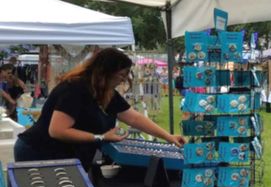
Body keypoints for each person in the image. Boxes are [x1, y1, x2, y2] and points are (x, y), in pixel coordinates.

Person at [13, 48, 185, 169]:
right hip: (38, 152)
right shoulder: (75, 88)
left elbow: (134, 118)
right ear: (106, 72)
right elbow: (57, 130)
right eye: (122, 75)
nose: (124, 80)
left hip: (62, 154)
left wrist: (168, 137)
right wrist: (101, 137)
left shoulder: (105, 92)